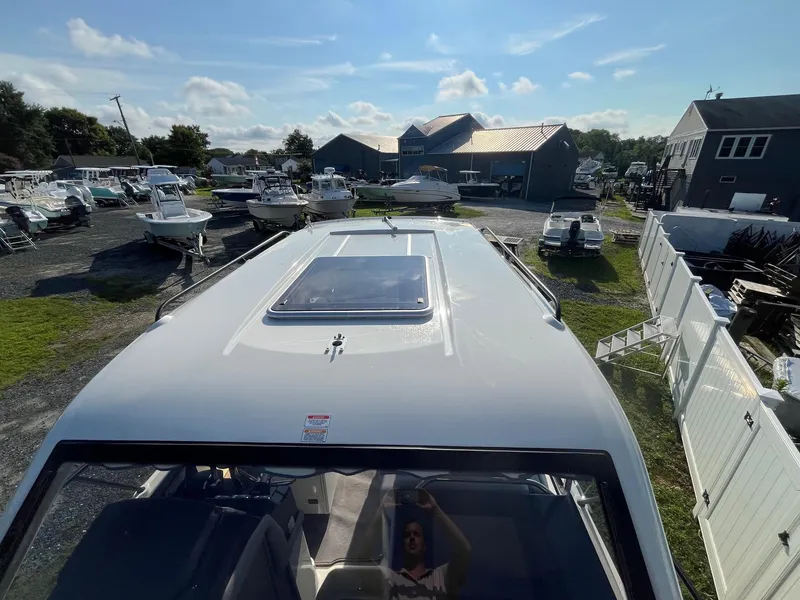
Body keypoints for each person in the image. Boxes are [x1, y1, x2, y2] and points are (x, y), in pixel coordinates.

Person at [357, 489, 471, 600]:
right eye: (407, 535)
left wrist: (436, 510)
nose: (412, 538)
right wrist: (381, 512)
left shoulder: (439, 577)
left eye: (416, 534)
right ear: (403, 546)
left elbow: (464, 551)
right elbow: (361, 559)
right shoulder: (389, 579)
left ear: (425, 546)